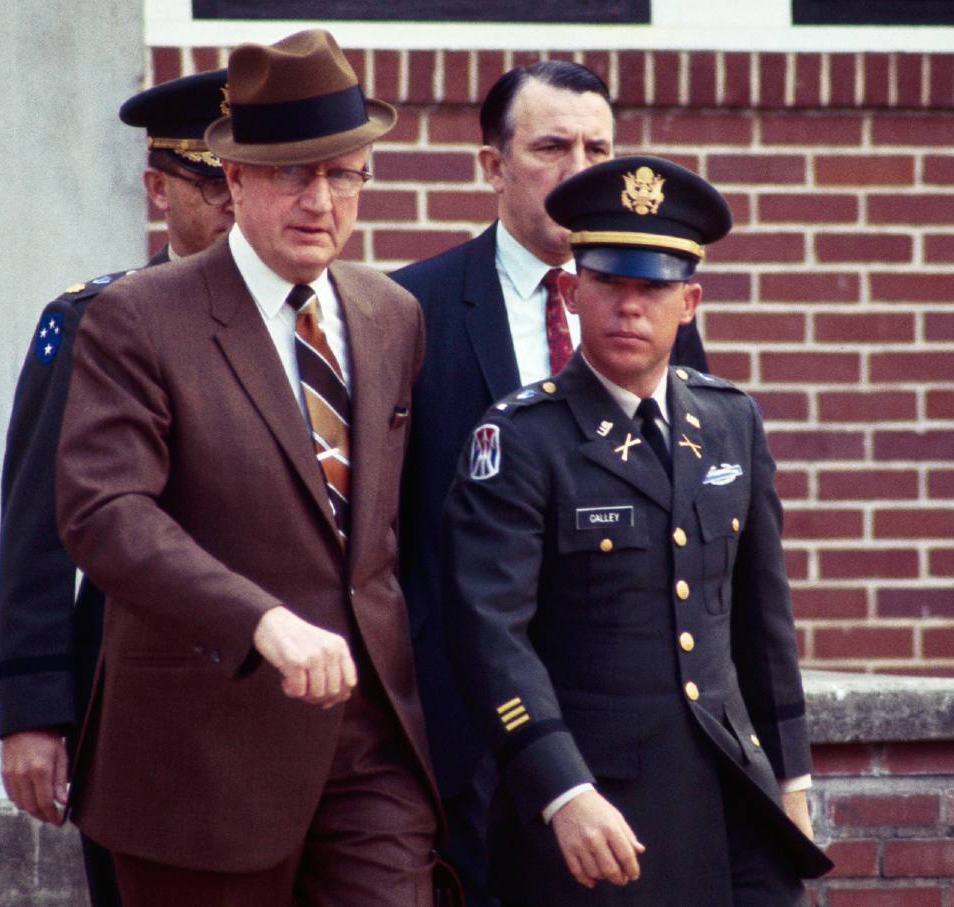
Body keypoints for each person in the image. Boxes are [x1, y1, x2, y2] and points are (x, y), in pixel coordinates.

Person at [54, 29, 439, 907]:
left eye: (343, 173)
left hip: (371, 748)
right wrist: (258, 618)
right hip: (202, 754)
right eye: (290, 174)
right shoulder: (137, 319)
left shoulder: (393, 315)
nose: (320, 199)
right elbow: (104, 512)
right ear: (234, 178)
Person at [442, 156, 834, 907]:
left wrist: (791, 779)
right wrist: (562, 789)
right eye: (609, 283)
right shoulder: (522, 438)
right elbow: (491, 635)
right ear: (572, 290)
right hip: (595, 816)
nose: (629, 307)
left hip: (732, 801)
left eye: (651, 288)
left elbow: (762, 621)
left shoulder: (728, 420)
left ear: (689, 302)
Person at [390, 60, 707, 905]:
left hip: (628, 745)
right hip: (463, 744)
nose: (581, 170)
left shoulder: (655, 315)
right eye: (552, 147)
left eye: (599, 147)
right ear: (491, 165)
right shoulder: (408, 312)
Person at [0, 66, 231, 907]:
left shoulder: (326, 325)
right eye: (214, 182)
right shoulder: (97, 320)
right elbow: (35, 527)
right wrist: (32, 709)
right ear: (159, 188)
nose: (236, 202)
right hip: (136, 688)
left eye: (254, 176)